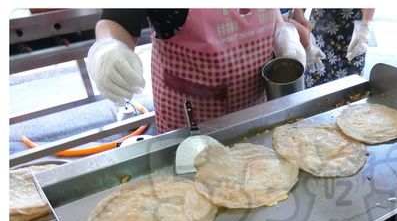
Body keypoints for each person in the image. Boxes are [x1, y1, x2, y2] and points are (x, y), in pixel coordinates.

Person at [87, 9, 309, 133]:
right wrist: (108, 47)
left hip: (256, 111)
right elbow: (118, 20)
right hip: (191, 123)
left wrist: (283, 34)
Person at [293, 9, 375, 87]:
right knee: (315, 88)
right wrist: (301, 29)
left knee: (352, 89)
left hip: (353, 36)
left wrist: (365, 26)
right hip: (319, 36)